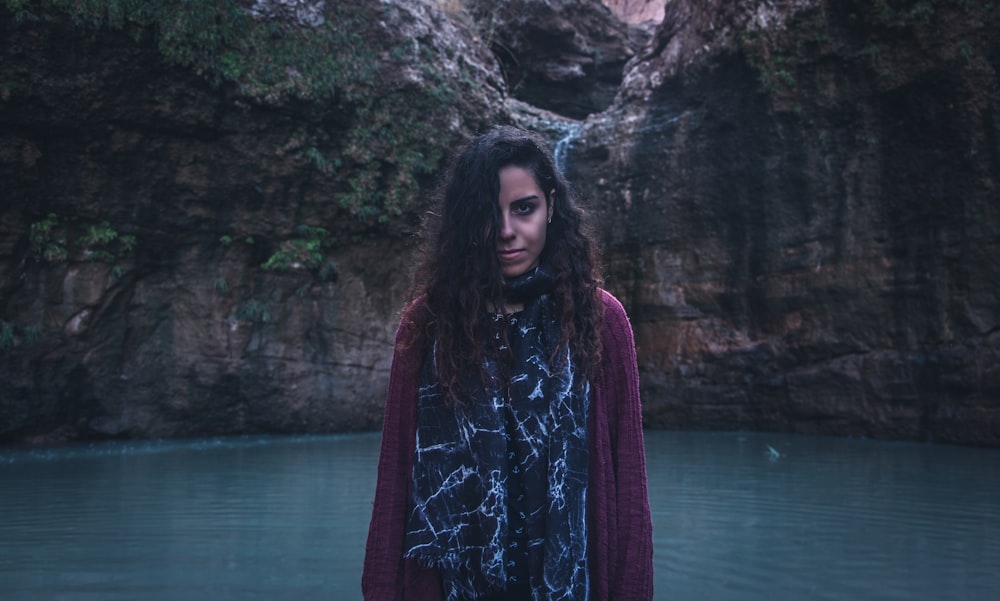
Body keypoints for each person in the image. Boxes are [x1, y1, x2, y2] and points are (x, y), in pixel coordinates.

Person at [362, 125, 653, 601]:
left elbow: (628, 493)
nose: (505, 232)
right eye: (487, 213)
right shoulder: (427, 325)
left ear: (552, 207)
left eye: (524, 208)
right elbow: (395, 483)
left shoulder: (600, 320)